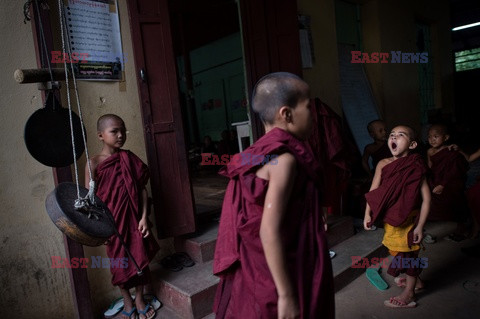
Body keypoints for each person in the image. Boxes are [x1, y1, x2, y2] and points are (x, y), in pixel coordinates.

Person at [213, 72, 334, 318]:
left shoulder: (254, 153)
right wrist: (287, 296)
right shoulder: (285, 159)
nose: (313, 115)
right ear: (286, 114)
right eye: (308, 107)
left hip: (259, 262)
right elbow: (268, 230)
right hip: (282, 267)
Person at [85, 114, 159, 319]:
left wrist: (144, 217)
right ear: (100, 135)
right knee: (119, 265)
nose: (120, 135)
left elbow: (142, 190)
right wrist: (100, 230)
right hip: (112, 226)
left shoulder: (129, 158)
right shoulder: (93, 164)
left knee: (140, 259)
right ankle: (127, 301)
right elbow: (91, 203)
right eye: (114, 131)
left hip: (135, 220)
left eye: (123, 130)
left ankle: (139, 299)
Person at [364, 125, 431, 308]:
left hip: (410, 220)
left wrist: (419, 226)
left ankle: (409, 294)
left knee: (408, 255)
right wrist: (366, 214)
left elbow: (426, 199)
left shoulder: (416, 165)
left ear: (412, 144)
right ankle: (417, 282)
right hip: (391, 219)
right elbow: (373, 191)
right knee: (396, 250)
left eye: (401, 135)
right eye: (392, 135)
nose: (394, 137)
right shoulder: (383, 164)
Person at [426, 124, 469, 241]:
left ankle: (461, 229)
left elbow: (455, 171)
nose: (432, 139)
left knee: (457, 203)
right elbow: (430, 168)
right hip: (435, 180)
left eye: (436, 136)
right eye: (429, 137)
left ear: (446, 138)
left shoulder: (451, 152)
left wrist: (443, 184)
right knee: (428, 201)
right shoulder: (430, 151)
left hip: (449, 182)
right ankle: (424, 229)